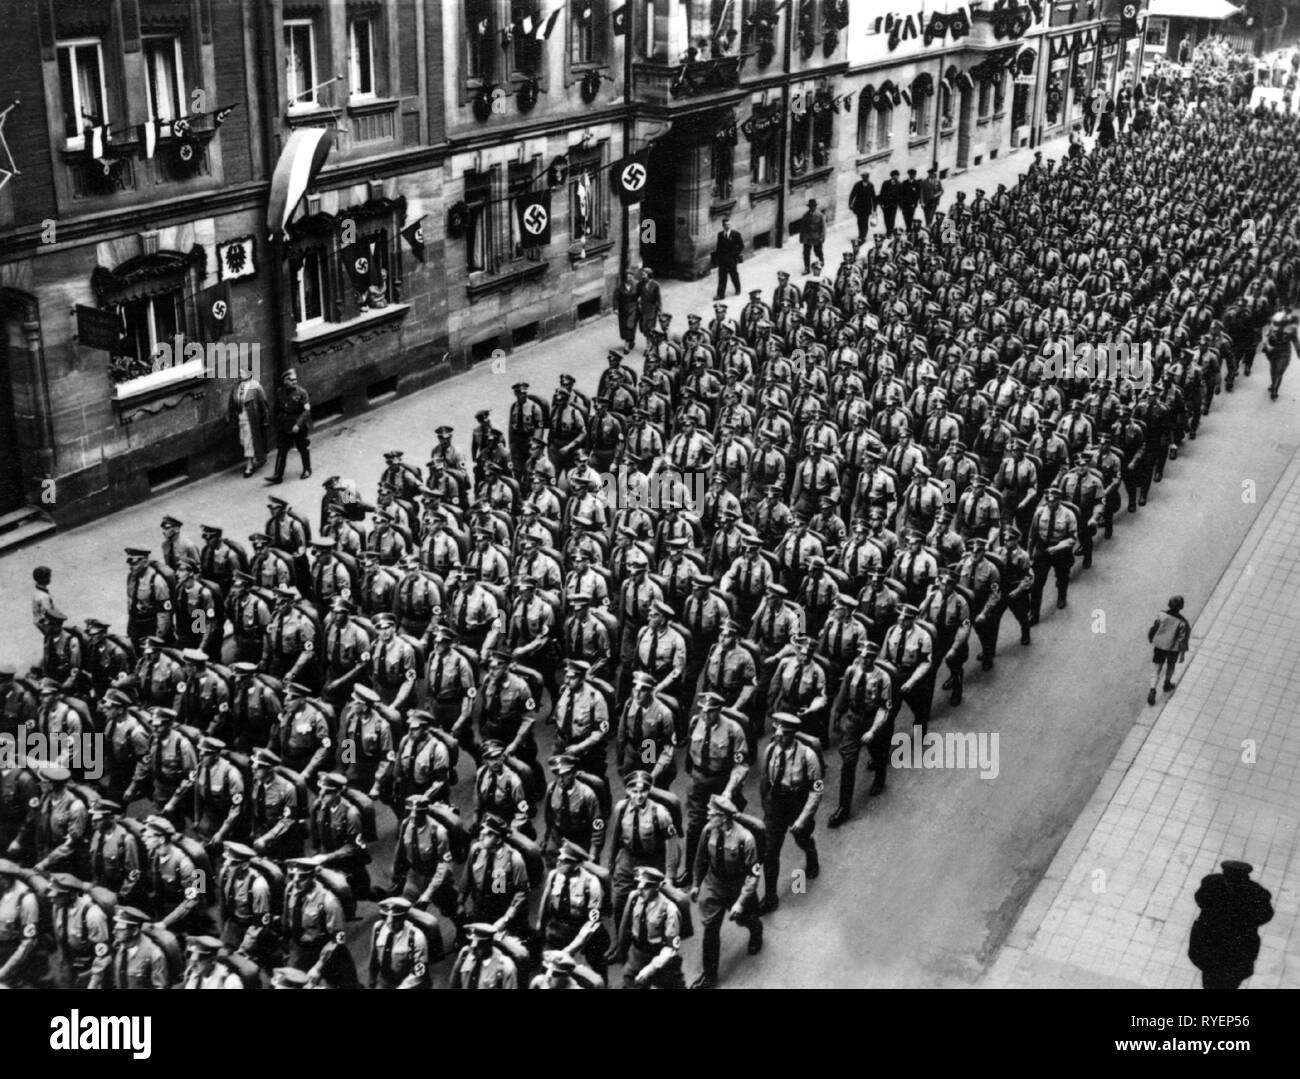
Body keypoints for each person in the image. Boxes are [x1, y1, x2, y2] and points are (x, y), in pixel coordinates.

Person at [1188, 861, 1273, 989]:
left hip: (1235, 950)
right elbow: (1200, 899)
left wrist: (1241, 921)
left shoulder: (1257, 893)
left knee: (1227, 981)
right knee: (1212, 979)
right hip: (1213, 946)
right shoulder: (1212, 883)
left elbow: (1265, 915)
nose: (1230, 882)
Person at [267, 368, 311, 484]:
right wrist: (277, 422)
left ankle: (307, 469)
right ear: (285, 381)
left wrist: (298, 425)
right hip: (284, 425)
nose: (294, 382)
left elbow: (306, 411)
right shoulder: (279, 392)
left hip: (298, 425)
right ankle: (278, 475)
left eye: (295, 380)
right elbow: (277, 408)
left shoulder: (302, 393)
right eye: (291, 380)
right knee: (282, 449)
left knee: (303, 447)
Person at [1146, 594, 1191, 705]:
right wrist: (1182, 654)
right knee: (1171, 666)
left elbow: (1154, 628)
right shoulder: (1182, 622)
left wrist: (1151, 638)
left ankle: (1152, 690)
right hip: (1173, 649)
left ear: (1169, 604)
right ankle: (1167, 683)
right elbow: (1182, 639)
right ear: (1181, 607)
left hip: (1160, 646)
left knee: (1157, 669)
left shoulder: (1162, 615)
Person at [228, 367, 270, 477]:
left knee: (248, 442)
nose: (240, 373)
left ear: (249, 373)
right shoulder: (236, 386)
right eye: (239, 371)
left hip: (252, 419)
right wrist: (230, 415)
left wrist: (266, 419)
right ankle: (259, 457)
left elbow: (264, 404)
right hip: (240, 418)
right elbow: (231, 402)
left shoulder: (255, 387)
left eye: (242, 372)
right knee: (243, 441)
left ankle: (249, 465)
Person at [714, 215, 744, 300]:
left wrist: (735, 255)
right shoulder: (720, 235)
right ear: (723, 226)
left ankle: (738, 289)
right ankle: (720, 294)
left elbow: (741, 246)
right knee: (722, 278)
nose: (728, 226)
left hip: (731, 260)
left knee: (734, 275)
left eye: (729, 224)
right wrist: (718, 258)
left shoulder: (736, 234)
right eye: (726, 224)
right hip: (723, 261)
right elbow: (718, 247)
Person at [614, 267, 641, 354]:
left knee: (630, 325)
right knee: (624, 327)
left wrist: (641, 300)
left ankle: (626, 345)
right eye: (628, 277)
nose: (630, 278)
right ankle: (631, 340)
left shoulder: (637, 284)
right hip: (623, 309)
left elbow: (641, 294)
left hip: (633, 308)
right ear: (625, 278)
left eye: (631, 276)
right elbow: (616, 298)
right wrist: (616, 308)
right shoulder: (619, 287)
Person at [798, 198, 826, 273]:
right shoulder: (805, 215)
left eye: (813, 206)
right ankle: (807, 268)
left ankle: (821, 262)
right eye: (810, 206)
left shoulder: (820, 215)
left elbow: (823, 227)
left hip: (817, 237)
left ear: (815, 207)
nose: (812, 208)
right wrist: (801, 238)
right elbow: (802, 227)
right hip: (807, 237)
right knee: (806, 253)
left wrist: (822, 237)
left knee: (818, 251)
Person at [848, 173, 876, 242]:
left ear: (868, 178)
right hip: (858, 207)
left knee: (865, 222)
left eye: (867, 177)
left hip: (867, 207)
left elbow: (873, 197)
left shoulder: (871, 185)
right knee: (859, 221)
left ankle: (863, 236)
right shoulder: (857, 185)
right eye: (864, 177)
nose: (865, 179)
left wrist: (874, 208)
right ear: (862, 178)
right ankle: (860, 234)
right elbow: (852, 194)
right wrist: (850, 203)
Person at [879, 169, 902, 233]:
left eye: (897, 176)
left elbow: (900, 195)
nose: (897, 177)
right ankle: (888, 229)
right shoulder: (886, 183)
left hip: (894, 204)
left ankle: (890, 231)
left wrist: (900, 205)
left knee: (892, 218)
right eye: (895, 175)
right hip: (886, 204)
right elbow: (882, 193)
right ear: (892, 176)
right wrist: (881, 203)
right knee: (886, 218)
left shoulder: (899, 184)